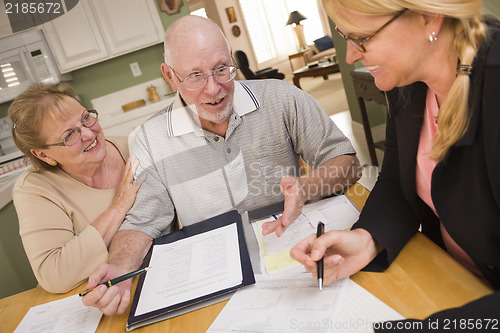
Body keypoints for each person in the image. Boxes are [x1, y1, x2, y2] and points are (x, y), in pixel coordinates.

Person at [82, 15, 361, 315]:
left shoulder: (282, 97)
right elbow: (141, 222)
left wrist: (307, 187)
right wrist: (120, 269)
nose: (214, 88)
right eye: (195, 75)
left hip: (296, 258)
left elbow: (347, 162)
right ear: (169, 76)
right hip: (213, 281)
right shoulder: (151, 138)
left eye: (221, 69)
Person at [291, 0, 500, 325]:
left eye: (361, 38)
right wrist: (365, 239)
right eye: (344, 37)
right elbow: (395, 182)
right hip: (448, 280)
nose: (350, 56)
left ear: (429, 17)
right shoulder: (408, 83)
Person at [8, 83, 144, 293]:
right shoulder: (35, 189)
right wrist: (118, 207)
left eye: (86, 118)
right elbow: (55, 275)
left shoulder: (134, 149)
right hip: (89, 299)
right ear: (43, 155)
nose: (89, 134)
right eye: (69, 135)